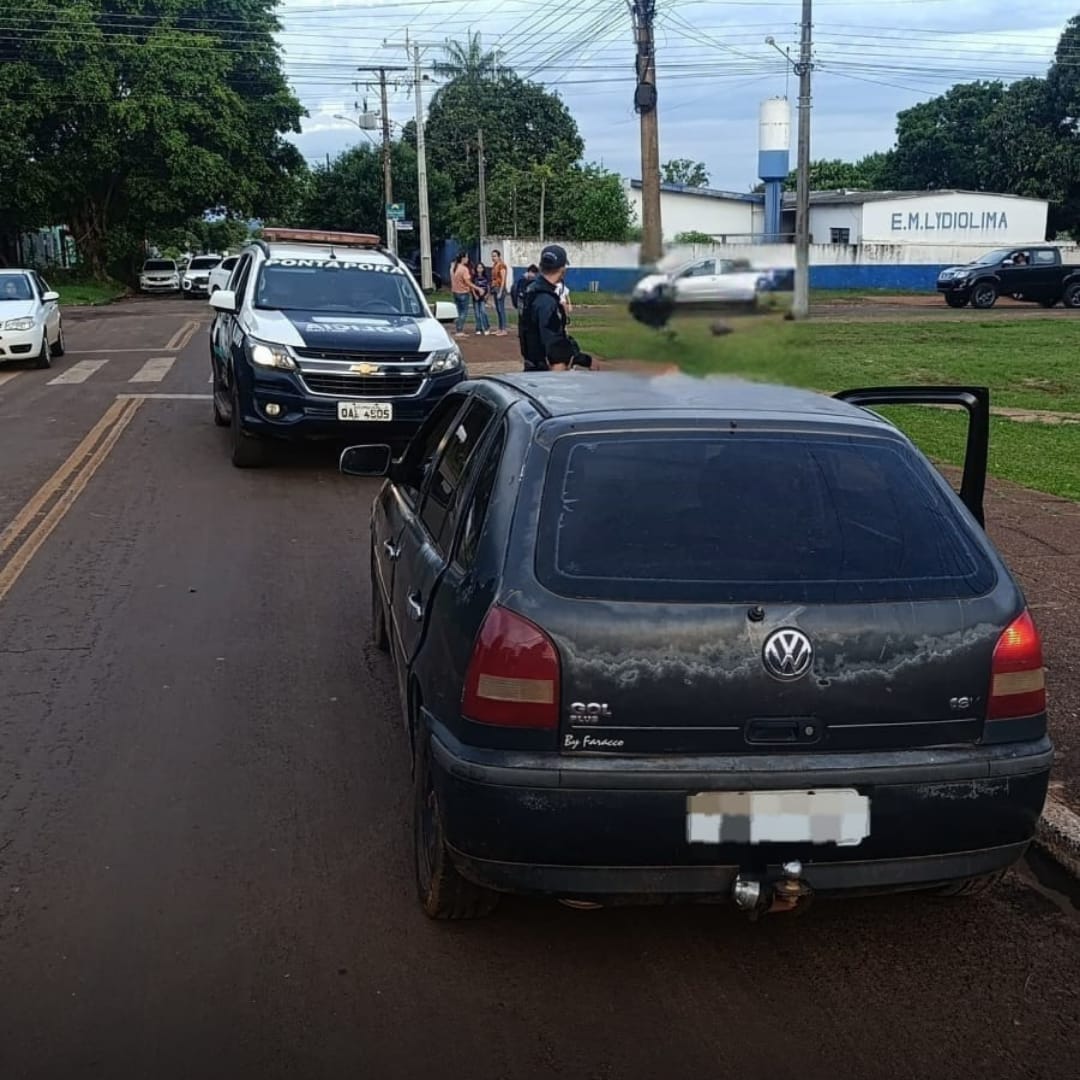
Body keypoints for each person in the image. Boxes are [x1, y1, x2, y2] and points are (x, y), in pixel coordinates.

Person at [518, 244, 593, 372]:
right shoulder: (546, 300)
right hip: (545, 372)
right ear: (562, 269)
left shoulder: (530, 290)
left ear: (541, 266)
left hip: (531, 365)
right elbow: (555, 349)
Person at [450, 252, 473, 338]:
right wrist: (477, 288)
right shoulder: (464, 269)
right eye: (466, 257)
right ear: (463, 258)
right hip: (463, 292)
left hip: (455, 292)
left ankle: (458, 328)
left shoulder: (454, 268)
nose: (468, 259)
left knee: (459, 311)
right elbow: (467, 282)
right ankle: (459, 330)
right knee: (463, 312)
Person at [490, 250, 509, 336]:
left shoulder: (501, 266)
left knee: (501, 309)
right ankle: (500, 328)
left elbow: (503, 279)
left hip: (499, 288)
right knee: (498, 309)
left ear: (499, 256)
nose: (493, 258)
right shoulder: (495, 265)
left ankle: (504, 329)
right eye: (492, 256)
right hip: (495, 288)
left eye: (495, 256)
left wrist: (501, 291)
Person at [472, 261, 492, 336]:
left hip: (483, 297)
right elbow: (472, 287)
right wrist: (475, 295)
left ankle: (486, 327)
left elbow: (488, 287)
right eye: (478, 267)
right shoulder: (474, 277)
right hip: (476, 298)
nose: (479, 269)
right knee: (477, 313)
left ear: (483, 269)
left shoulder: (486, 277)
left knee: (483, 311)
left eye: (481, 267)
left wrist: (487, 295)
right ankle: (478, 328)